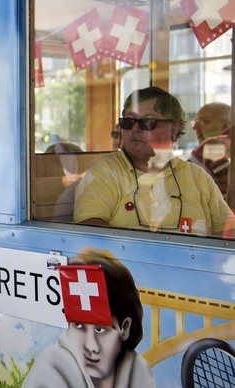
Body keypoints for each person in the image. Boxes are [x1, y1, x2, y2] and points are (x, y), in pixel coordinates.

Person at [74, 87, 235, 238]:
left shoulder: (198, 177)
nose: (135, 128)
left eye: (148, 122)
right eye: (129, 121)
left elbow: (228, 232)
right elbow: (89, 230)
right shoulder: (106, 170)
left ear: (174, 128)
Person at [22, 247, 153, 388]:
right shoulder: (50, 371)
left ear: (125, 328)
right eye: (78, 325)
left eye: (100, 330)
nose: (91, 347)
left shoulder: (137, 371)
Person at [189, 102, 231, 197]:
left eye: (204, 121)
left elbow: (180, 184)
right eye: (195, 122)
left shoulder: (212, 145)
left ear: (226, 125)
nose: (195, 128)